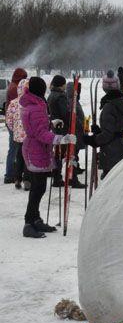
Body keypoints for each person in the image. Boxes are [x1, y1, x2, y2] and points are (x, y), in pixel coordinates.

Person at [20, 77, 77, 238]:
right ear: (40, 89)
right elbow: (39, 133)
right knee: (38, 188)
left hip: (38, 149)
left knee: (40, 186)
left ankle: (36, 218)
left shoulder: (34, 103)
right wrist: (61, 139)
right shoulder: (36, 107)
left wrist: (51, 123)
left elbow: (38, 126)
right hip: (36, 149)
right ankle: (28, 222)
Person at [82, 76, 123, 178]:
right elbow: (117, 128)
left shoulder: (109, 106)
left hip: (111, 152)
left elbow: (108, 134)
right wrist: (100, 131)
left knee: (110, 186)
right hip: (122, 148)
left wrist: (94, 140)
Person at [47, 75, 86, 189]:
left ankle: (57, 177)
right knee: (70, 155)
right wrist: (77, 123)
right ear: (61, 84)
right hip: (65, 130)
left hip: (56, 129)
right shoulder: (60, 97)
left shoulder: (51, 95)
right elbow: (66, 114)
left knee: (59, 154)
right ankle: (72, 178)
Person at [5, 79, 30, 190]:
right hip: (29, 136)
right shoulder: (31, 102)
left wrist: (14, 130)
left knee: (19, 157)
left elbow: (8, 119)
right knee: (28, 158)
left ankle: (17, 178)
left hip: (18, 136)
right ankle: (27, 179)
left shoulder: (13, 103)